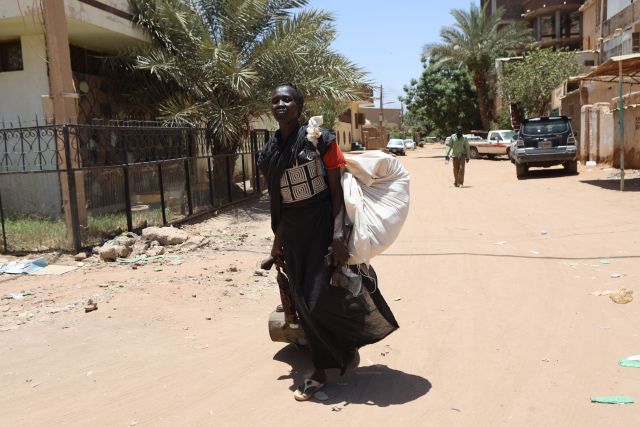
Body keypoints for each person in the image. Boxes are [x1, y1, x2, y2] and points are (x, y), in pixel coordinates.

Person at [258, 84, 399, 401]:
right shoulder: (270, 152)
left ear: (299, 105)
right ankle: (335, 356)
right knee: (306, 302)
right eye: (275, 99)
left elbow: (336, 193)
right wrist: (276, 245)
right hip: (294, 235)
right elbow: (278, 205)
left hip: (323, 227)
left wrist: (337, 235)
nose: (281, 104)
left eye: (287, 99)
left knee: (320, 297)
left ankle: (322, 370)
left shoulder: (320, 140)